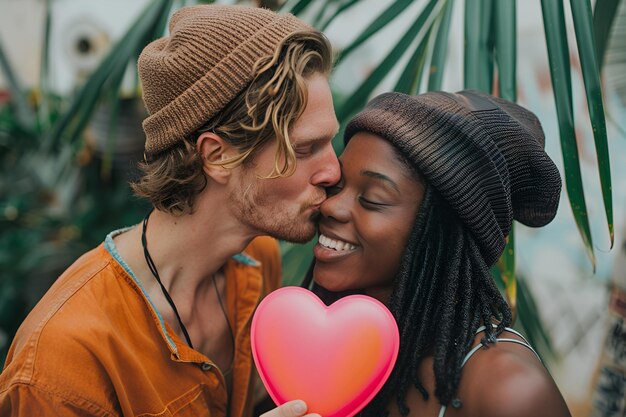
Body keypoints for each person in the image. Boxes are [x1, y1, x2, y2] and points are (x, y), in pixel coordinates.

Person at [0, 4, 339, 417]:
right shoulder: (62, 363)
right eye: (305, 149)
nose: (333, 171)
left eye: (330, 143)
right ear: (217, 156)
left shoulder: (257, 262)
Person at [306, 90, 572, 417]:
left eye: (372, 199)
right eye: (336, 185)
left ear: (444, 232)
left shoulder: (509, 391)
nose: (331, 206)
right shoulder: (339, 338)